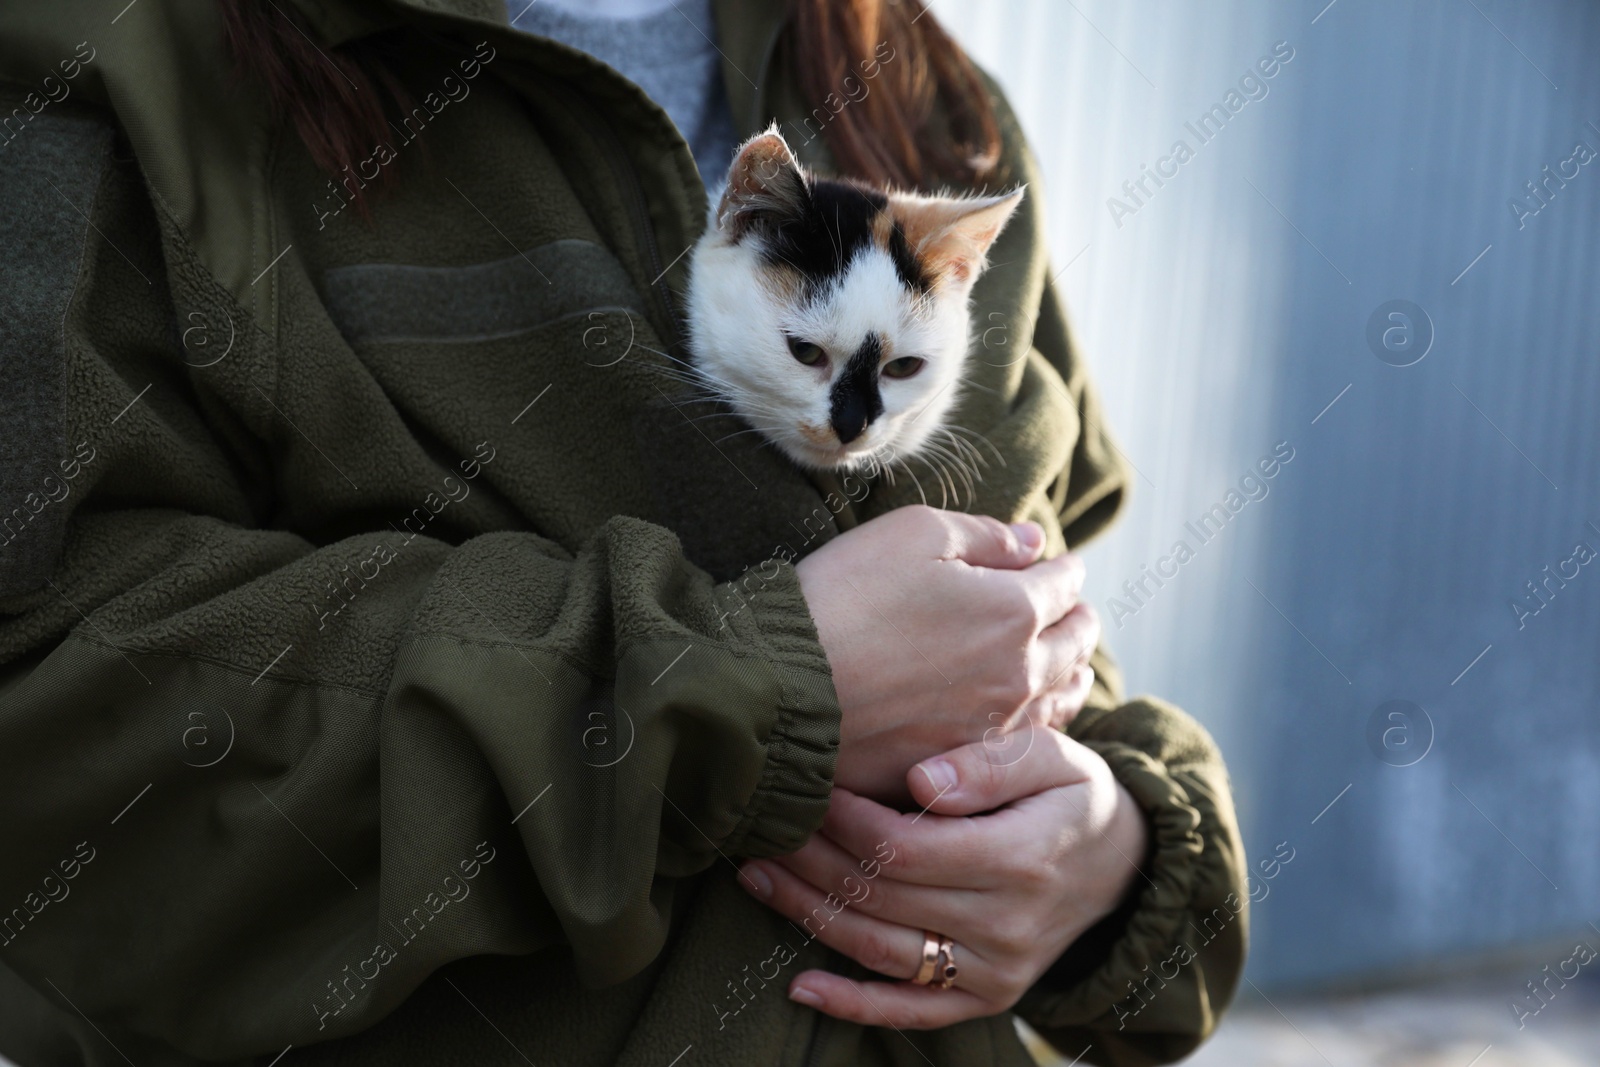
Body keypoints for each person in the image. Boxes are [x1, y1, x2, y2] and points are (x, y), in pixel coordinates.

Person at [0, 0, 1246, 1064]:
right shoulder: (119, 62)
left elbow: (1047, 619)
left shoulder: (916, 81)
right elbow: (51, 725)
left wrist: (1113, 857)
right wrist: (729, 683)